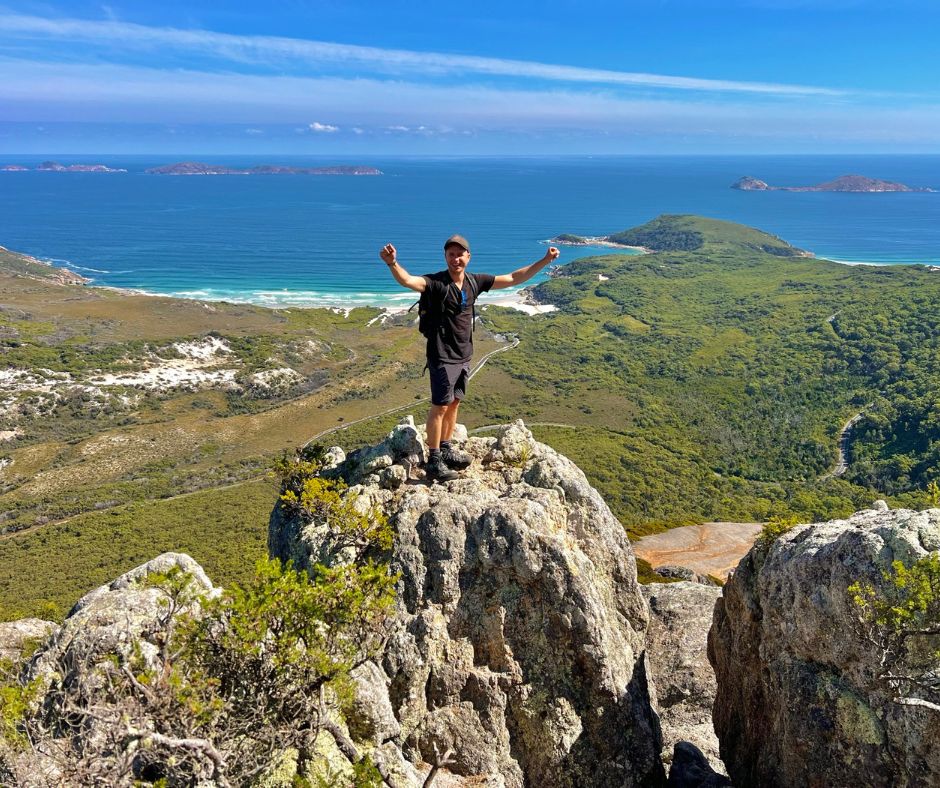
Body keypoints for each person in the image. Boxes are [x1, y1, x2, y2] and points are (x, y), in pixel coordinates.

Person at [380, 234, 560, 481]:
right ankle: (433, 460)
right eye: (451, 254)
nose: (456, 259)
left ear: (468, 256)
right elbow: (409, 281)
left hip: (464, 355)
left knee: (454, 402)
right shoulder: (436, 283)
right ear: (446, 257)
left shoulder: (475, 282)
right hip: (442, 355)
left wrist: (544, 261)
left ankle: (445, 448)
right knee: (440, 405)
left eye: (460, 254)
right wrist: (392, 263)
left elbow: (513, 278)